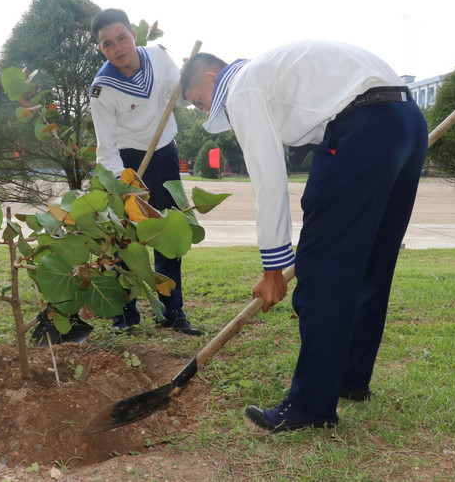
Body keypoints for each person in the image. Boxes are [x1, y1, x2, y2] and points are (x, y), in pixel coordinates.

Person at [180, 41, 428, 432]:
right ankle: (349, 377)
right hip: (407, 122)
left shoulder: (241, 87)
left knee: (323, 272)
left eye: (198, 102)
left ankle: (311, 404)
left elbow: (268, 178)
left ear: (213, 76)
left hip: (363, 127)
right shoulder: (273, 73)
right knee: (370, 264)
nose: (206, 110)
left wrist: (274, 267)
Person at [88, 8, 200, 336]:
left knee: (168, 235)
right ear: (101, 49)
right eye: (108, 44)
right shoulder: (101, 88)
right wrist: (125, 184)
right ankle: (125, 316)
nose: (118, 47)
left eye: (122, 38)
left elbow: (180, 101)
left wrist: (186, 80)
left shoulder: (159, 58)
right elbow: (106, 148)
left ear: (133, 35)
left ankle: (172, 312)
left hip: (164, 154)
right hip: (125, 162)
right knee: (125, 242)